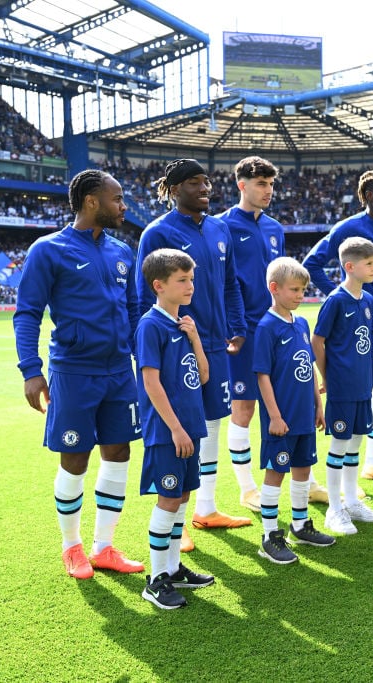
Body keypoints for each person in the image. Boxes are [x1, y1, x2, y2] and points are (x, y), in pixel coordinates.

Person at [13, 169, 144, 579]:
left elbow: (135, 312)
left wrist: (147, 363)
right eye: (117, 198)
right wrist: (31, 371)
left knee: (119, 453)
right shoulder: (48, 250)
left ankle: (104, 547)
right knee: (74, 458)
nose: (124, 206)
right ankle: (72, 547)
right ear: (92, 201)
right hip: (73, 373)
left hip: (120, 372)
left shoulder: (123, 251)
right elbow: (28, 313)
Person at [136, 159, 251, 552]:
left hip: (215, 343)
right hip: (175, 346)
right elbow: (142, 295)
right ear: (174, 188)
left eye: (207, 182)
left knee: (212, 424)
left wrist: (236, 326)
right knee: (180, 428)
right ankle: (177, 519)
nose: (205, 188)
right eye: (195, 183)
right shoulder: (158, 232)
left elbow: (231, 283)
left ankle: (206, 507)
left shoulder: (220, 228)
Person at [303, 170, 373, 484]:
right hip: (359, 324)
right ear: (370, 195)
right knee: (357, 392)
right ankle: (343, 478)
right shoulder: (348, 228)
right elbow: (311, 264)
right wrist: (339, 292)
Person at [135, 248, 215, 609]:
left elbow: (203, 377)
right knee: (168, 499)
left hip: (190, 428)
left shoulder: (182, 324)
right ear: (159, 285)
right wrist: (176, 429)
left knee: (182, 496)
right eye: (182, 280)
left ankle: (173, 567)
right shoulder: (150, 325)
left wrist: (196, 338)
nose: (190, 286)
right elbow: (151, 384)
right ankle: (155, 579)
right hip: (168, 433)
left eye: (191, 279)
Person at [253, 257, 335, 564]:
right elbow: (262, 375)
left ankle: (300, 525)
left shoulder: (301, 323)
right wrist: (274, 416)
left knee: (303, 470)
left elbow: (309, 366)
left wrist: (318, 403)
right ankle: (270, 535)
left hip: (304, 415)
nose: (301, 295)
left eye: (303, 289)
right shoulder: (266, 327)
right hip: (281, 419)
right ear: (275, 289)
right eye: (295, 290)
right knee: (276, 473)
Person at [216, 156, 285, 511]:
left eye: (271, 184)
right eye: (261, 184)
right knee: (243, 408)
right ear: (242, 185)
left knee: (282, 402)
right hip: (241, 333)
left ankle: (297, 475)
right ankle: (246, 488)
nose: (268, 190)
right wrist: (232, 326)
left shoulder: (275, 228)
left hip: (275, 329)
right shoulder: (220, 226)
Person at [312, 237, 373, 535]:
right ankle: (334, 508)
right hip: (342, 386)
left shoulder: (367, 300)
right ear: (349, 266)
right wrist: (327, 375)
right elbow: (317, 340)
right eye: (369, 263)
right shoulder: (335, 300)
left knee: (356, 442)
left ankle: (352, 501)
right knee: (340, 445)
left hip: (362, 384)